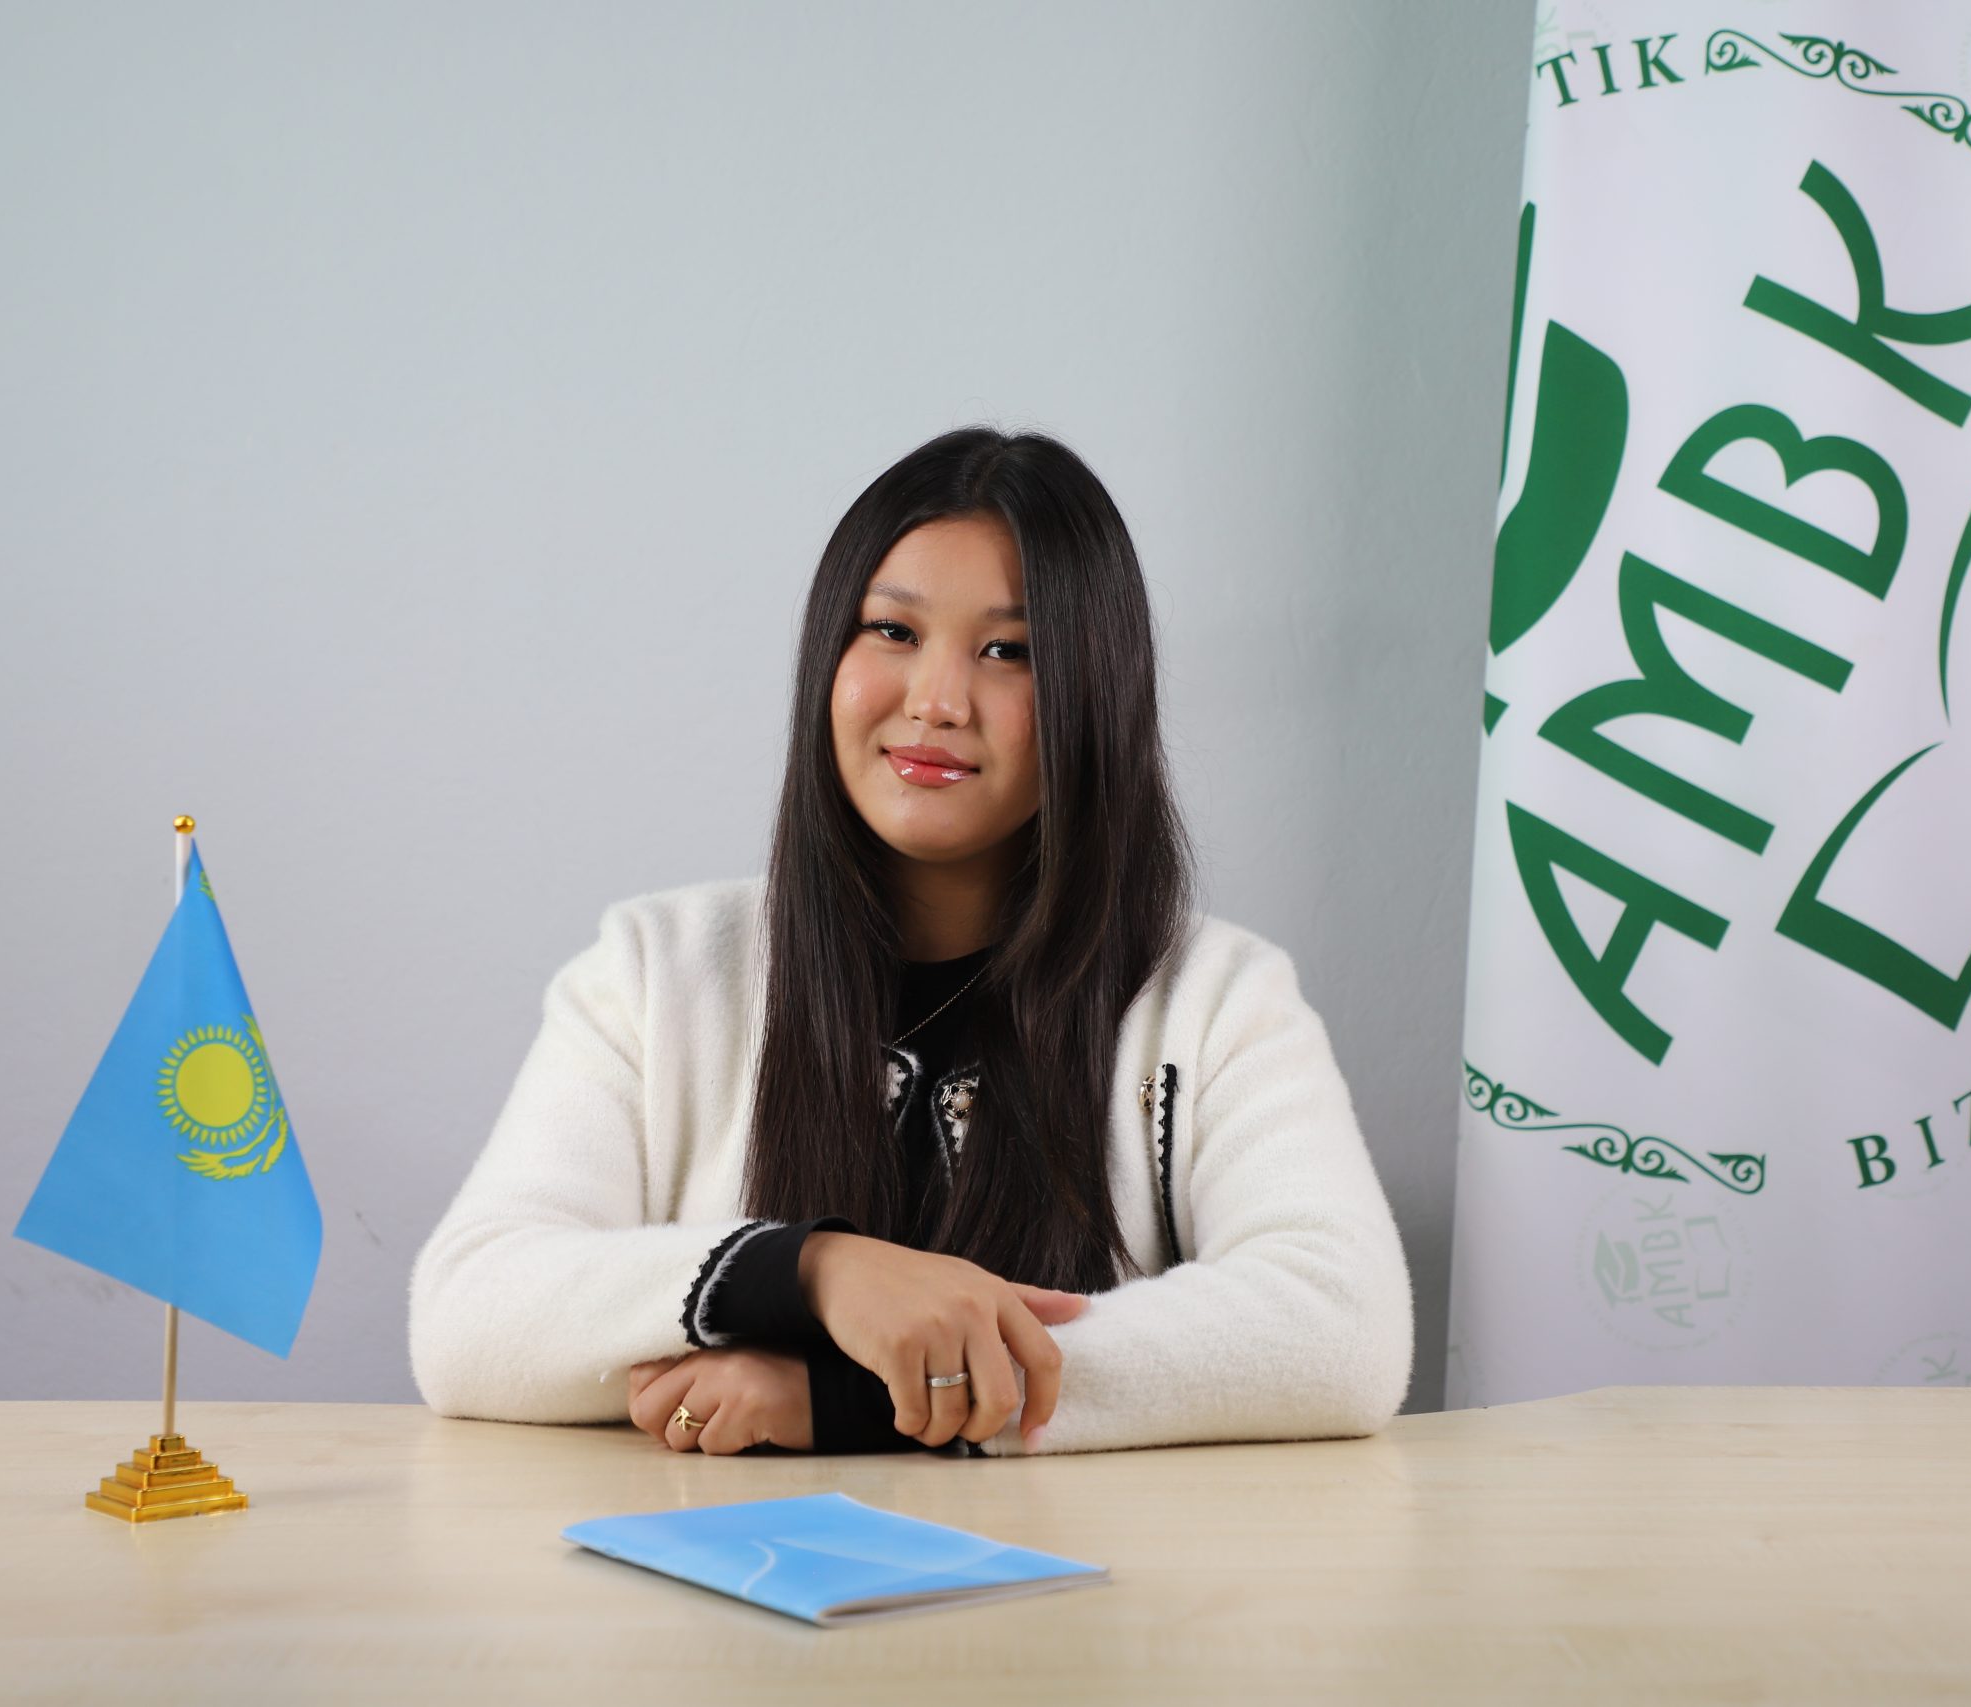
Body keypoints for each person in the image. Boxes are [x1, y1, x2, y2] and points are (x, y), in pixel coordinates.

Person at [408, 426, 1413, 1457]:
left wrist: (849, 1397)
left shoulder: (1217, 996)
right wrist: (811, 1270)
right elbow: (469, 1316)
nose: (935, 701)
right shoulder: (652, 972)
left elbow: (1342, 1328)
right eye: (891, 631)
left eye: (1008, 651)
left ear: (1093, 693)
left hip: (1073, 1562)